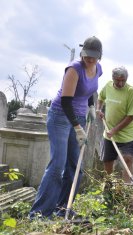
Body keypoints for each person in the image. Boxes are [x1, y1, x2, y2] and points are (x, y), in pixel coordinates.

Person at [29, 36, 103, 219]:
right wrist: (78, 128)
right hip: (60, 116)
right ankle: (39, 214)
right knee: (57, 165)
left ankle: (62, 208)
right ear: (82, 52)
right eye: (87, 56)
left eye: (94, 57)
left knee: (74, 166)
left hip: (78, 116)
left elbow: (91, 91)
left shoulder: (98, 69)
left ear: (100, 56)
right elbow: (66, 101)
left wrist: (92, 107)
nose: (90, 60)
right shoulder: (74, 69)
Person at [96, 66, 133, 183]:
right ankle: (108, 186)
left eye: (123, 81)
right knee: (108, 161)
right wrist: (98, 109)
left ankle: (126, 187)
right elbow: (100, 98)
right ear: (113, 78)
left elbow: (131, 116)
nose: (120, 83)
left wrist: (115, 130)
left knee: (128, 159)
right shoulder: (108, 86)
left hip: (127, 135)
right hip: (109, 133)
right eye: (117, 80)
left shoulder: (132, 92)